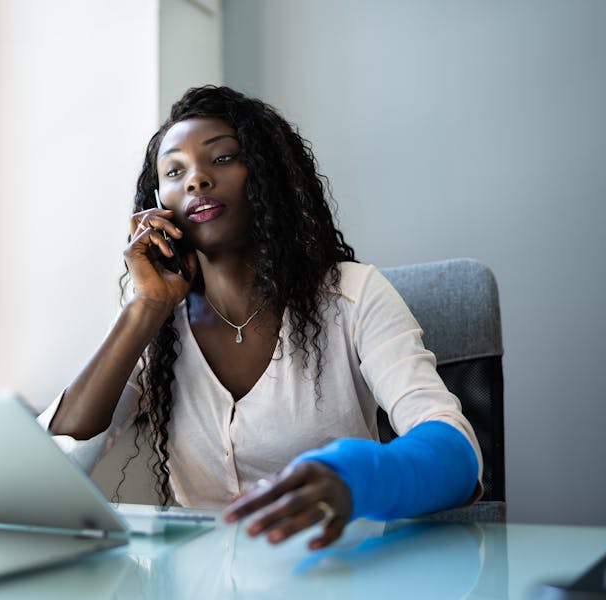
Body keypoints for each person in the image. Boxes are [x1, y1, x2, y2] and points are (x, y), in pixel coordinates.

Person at [39, 85, 482, 551]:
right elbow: (53, 469)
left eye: (223, 158)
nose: (196, 180)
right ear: (157, 203)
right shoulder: (158, 326)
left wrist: (353, 475)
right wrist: (144, 308)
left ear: (268, 174)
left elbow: (456, 451)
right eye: (174, 171)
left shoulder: (354, 294)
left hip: (337, 574)